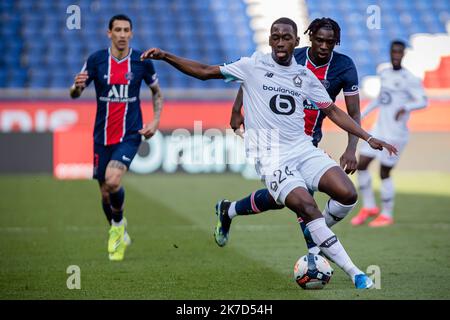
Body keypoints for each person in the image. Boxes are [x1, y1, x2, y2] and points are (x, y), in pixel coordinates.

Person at [140, 17, 397, 288]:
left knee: (347, 194)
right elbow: (205, 71)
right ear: (270, 39)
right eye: (276, 36)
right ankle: (353, 271)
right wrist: (166, 56)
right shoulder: (253, 65)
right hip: (271, 155)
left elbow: (332, 110)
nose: (281, 42)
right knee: (307, 206)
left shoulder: (304, 75)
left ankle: (234, 213)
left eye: (287, 37)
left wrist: (367, 137)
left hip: (303, 147)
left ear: (296, 42)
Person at [217, 18, 361, 255]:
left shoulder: (344, 66)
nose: (324, 46)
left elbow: (353, 112)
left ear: (337, 42)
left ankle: (229, 210)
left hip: (308, 139)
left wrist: (351, 147)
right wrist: (236, 110)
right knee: (303, 204)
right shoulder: (291, 55)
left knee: (283, 200)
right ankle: (314, 257)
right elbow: (254, 77)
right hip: (276, 141)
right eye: (320, 40)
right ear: (308, 37)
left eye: (330, 42)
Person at [70, 14, 163, 261]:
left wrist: (155, 121)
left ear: (131, 33)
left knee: (112, 180)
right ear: (108, 33)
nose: (122, 34)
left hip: (130, 134)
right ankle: (118, 229)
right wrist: (76, 87)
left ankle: (118, 226)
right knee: (104, 192)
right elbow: (76, 93)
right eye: (117, 30)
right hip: (101, 136)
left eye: (126, 30)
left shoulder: (141, 61)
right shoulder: (96, 60)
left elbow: (156, 93)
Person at [351, 40, 427, 227]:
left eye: (399, 52)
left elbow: (423, 101)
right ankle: (369, 207)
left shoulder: (409, 78)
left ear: (403, 54)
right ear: (390, 52)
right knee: (361, 165)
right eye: (393, 51)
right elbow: (381, 99)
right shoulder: (384, 73)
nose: (396, 55)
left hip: (396, 134)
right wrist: (363, 114)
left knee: (384, 172)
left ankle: (386, 214)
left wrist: (406, 106)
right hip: (379, 130)